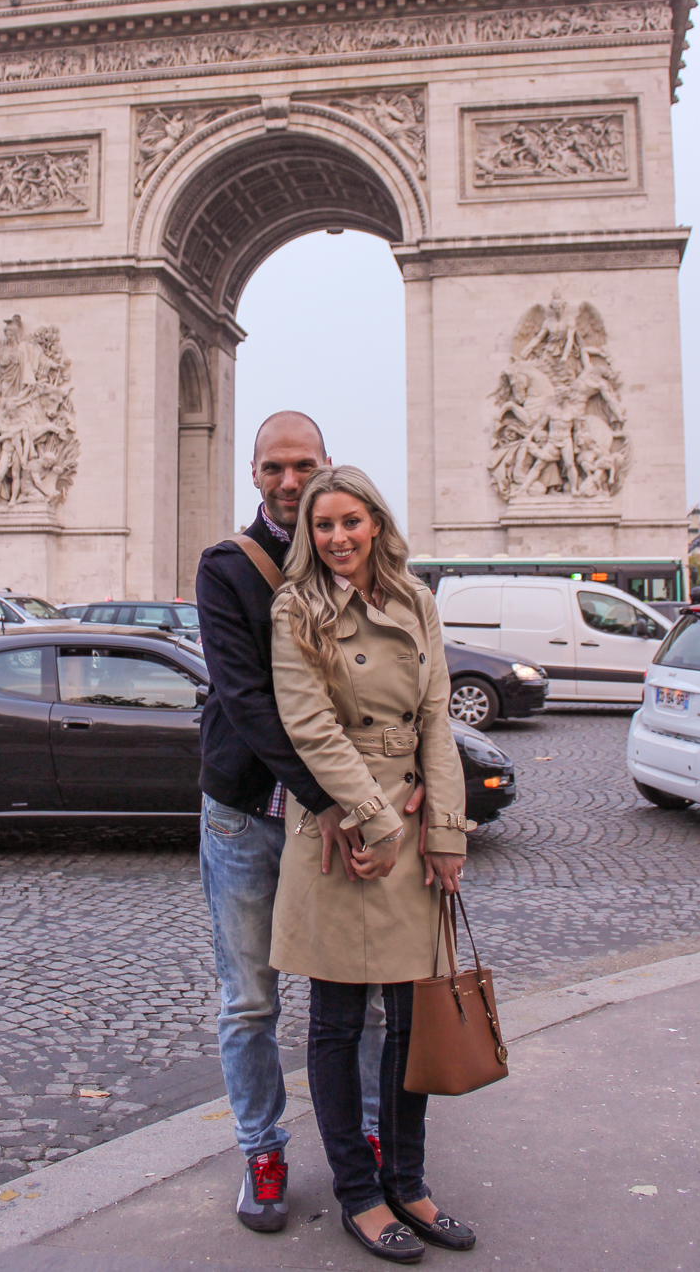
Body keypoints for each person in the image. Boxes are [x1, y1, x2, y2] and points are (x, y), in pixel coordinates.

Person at [196, 414, 423, 1234]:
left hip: (339, 818)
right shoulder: (227, 569)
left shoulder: (347, 559)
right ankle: (262, 1146)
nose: (288, 483)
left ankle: (362, 1139)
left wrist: (415, 780)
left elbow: (405, 688)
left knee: (354, 992)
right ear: (252, 474)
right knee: (251, 1001)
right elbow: (253, 703)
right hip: (252, 816)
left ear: (326, 467)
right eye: (272, 469)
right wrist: (328, 802)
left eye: (303, 467)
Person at [270, 465, 475, 1263]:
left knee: (413, 1020)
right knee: (338, 1022)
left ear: (376, 522)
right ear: (308, 536)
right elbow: (309, 725)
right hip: (344, 827)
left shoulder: (418, 601)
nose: (338, 538)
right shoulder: (296, 608)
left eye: (350, 521)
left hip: (413, 826)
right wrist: (375, 819)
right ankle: (359, 1192)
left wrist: (447, 832)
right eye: (323, 527)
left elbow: (438, 722)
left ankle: (411, 1181)